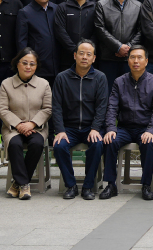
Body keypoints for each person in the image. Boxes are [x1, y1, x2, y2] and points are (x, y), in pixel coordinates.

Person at [99, 45, 153, 201]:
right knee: (110, 140)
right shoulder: (119, 82)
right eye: (132, 57)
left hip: (145, 128)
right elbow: (112, 108)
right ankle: (111, 184)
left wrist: (151, 130)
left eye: (139, 57)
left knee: (148, 143)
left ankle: (146, 185)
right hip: (124, 128)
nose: (136, 61)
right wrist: (111, 128)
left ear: (146, 61)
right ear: (127, 60)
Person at [52, 40, 108, 200]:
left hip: (91, 127)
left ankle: (88, 187)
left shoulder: (100, 78)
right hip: (69, 128)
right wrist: (60, 130)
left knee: (97, 145)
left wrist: (95, 128)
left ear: (94, 58)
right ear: (75, 55)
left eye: (89, 54)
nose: (84, 57)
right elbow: (56, 107)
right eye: (81, 53)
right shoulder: (62, 78)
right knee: (59, 146)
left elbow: (102, 106)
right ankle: (71, 186)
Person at [0, 48, 52, 200]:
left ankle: (18, 184)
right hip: (12, 128)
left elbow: (47, 109)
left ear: (36, 66)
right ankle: (24, 184)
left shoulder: (44, 84)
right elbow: (2, 109)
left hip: (37, 128)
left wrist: (32, 124)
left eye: (32, 64)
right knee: (14, 144)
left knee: (36, 144)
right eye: (25, 63)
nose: (28, 67)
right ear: (17, 64)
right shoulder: (6, 84)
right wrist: (19, 125)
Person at [94, 0, 143, 90]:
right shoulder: (101, 5)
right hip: (107, 57)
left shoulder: (138, 6)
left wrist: (128, 48)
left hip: (130, 59)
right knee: (108, 91)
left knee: (129, 92)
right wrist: (118, 47)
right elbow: (99, 28)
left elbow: (141, 30)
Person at [16, 0, 58, 86]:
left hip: (58, 66)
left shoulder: (57, 9)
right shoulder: (25, 13)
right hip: (37, 67)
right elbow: (21, 42)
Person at [54, 0, 96, 73]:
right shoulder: (63, 7)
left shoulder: (95, 7)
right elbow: (60, 31)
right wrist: (75, 50)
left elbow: (97, 31)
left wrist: (87, 51)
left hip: (89, 57)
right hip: (67, 57)